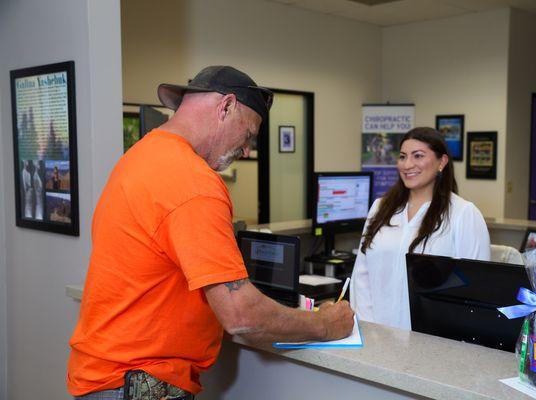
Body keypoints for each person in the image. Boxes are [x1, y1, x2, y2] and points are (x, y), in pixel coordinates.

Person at [67, 66, 354, 399]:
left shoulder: (140, 156)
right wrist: (325, 324)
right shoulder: (194, 182)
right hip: (137, 381)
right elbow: (242, 315)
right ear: (227, 107)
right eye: (249, 135)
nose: (247, 150)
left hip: (105, 374)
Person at [350, 127, 490, 330]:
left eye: (418, 156)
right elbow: (361, 275)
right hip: (375, 334)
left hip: (433, 340)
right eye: (403, 156)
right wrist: (368, 328)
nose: (407, 165)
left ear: (441, 162)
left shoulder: (463, 214)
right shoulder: (380, 208)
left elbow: (474, 288)